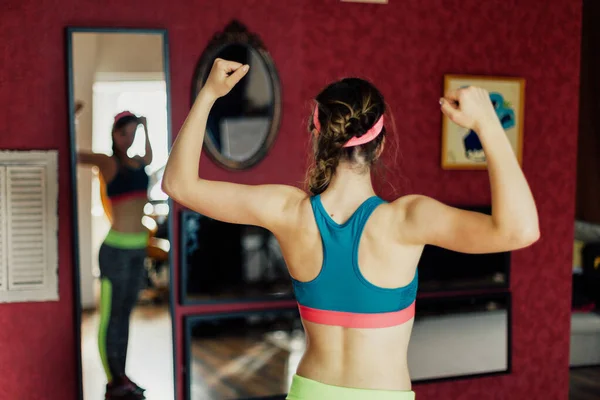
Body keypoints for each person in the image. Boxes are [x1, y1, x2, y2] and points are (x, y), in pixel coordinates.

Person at [162, 59, 539, 400]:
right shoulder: (407, 220)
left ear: (317, 131)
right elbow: (519, 231)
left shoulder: (287, 211)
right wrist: (488, 123)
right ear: (381, 143)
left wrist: (210, 92)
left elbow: (178, 185)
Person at [78, 111, 153, 400]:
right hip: (115, 251)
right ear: (114, 134)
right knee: (111, 318)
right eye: (125, 133)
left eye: (133, 133)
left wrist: (146, 128)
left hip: (137, 250)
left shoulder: (139, 162)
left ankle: (121, 376)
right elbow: (74, 155)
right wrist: (69, 119)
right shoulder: (107, 162)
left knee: (125, 317)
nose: (129, 138)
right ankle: (114, 381)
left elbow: (149, 154)